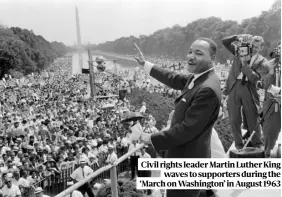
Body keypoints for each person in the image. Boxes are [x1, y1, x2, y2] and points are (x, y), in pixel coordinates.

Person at [134, 37, 221, 197]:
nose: (191, 56)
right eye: (190, 51)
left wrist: (152, 138)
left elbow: (187, 130)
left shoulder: (207, 89)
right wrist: (145, 65)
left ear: (212, 59)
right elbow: (173, 78)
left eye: (198, 53)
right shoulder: (199, 78)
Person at [222, 34, 268, 150]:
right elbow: (225, 42)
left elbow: (255, 78)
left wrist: (244, 65)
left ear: (261, 48)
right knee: (234, 118)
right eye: (253, 46)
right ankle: (238, 144)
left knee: (253, 116)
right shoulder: (239, 51)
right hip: (233, 86)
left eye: (257, 47)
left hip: (249, 88)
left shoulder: (262, 61)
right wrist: (236, 37)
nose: (254, 48)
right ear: (249, 44)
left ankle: (257, 143)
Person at [259, 43, 281, 158]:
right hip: (273, 105)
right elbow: (265, 85)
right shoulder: (267, 65)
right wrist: (272, 73)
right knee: (270, 134)